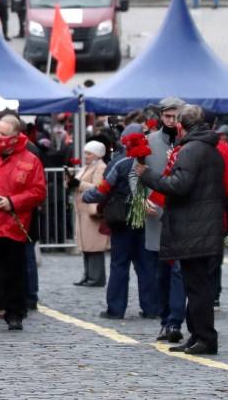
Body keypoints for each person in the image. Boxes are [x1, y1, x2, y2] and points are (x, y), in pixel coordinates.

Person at [136, 104, 227, 356]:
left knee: (196, 288)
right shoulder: (209, 148)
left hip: (193, 227)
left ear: (180, 125)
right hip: (202, 225)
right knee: (195, 286)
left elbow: (179, 185)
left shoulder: (190, 150)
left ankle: (205, 337)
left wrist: (148, 176)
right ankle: (197, 334)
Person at [0, 113, 46, 331]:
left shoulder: (30, 160)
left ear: (16, 136)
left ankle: (14, 313)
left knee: (13, 273)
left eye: (4, 134)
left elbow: (38, 191)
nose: (0, 138)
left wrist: (12, 202)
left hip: (13, 225)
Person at [81, 124, 160, 322]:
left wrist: (85, 195)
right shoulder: (150, 160)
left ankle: (116, 310)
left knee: (119, 265)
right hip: (146, 219)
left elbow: (102, 190)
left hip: (121, 220)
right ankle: (151, 308)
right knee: (147, 265)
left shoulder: (119, 163)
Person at [146, 98, 186, 342]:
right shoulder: (149, 142)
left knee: (179, 272)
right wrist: (140, 198)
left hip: (183, 217)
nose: (172, 121)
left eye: (176, 116)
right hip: (157, 216)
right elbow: (135, 173)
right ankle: (165, 319)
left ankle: (174, 322)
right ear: (161, 116)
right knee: (161, 275)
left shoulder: (189, 141)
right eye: (168, 116)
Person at [70, 139, 108, 289]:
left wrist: (79, 184)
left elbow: (99, 186)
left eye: (88, 153)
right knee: (86, 245)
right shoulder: (88, 167)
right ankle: (88, 275)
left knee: (94, 245)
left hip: (91, 210)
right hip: (83, 211)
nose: (85, 155)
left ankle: (96, 277)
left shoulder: (100, 167)